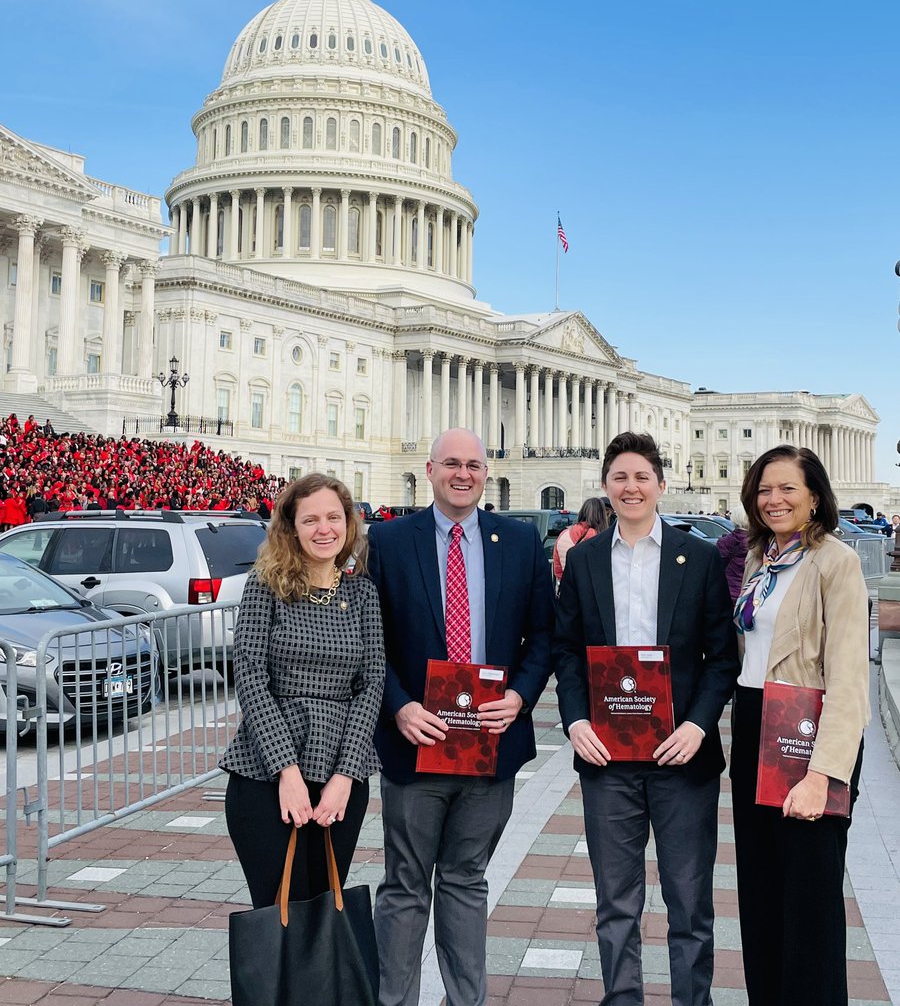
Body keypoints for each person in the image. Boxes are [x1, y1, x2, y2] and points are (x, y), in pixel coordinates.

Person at [367, 428, 554, 1006]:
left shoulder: (519, 542)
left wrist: (521, 696)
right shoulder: (390, 541)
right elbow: (371, 642)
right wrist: (399, 707)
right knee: (404, 885)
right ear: (429, 470)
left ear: (486, 471)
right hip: (416, 739)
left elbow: (545, 636)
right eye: (451, 463)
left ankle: (464, 1001)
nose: (463, 474)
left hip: (489, 741)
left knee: (466, 879)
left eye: (473, 464)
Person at [554, 431, 738, 1006]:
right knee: (616, 903)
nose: (630, 487)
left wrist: (698, 725)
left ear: (661, 484)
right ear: (605, 486)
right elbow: (567, 651)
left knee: (689, 901)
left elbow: (721, 657)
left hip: (681, 758)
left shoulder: (700, 557)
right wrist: (575, 721)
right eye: (620, 477)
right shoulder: (584, 559)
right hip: (607, 758)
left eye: (641, 477)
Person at [730, 445, 869, 1006]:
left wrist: (825, 773)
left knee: (810, 903)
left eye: (788, 488)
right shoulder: (763, 559)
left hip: (810, 739)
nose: (774, 499)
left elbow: (849, 678)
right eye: (764, 489)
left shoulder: (836, 562)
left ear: (815, 496)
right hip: (756, 728)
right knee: (761, 894)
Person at [220, 473, 385, 909]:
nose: (324, 528)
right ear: (291, 528)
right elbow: (251, 678)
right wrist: (286, 773)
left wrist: (345, 776)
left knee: (323, 915)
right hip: (265, 774)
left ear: (349, 525)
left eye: (334, 517)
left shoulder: (363, 594)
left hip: (340, 776)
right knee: (278, 916)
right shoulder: (264, 587)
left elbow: (371, 685)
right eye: (310, 519)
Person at [552, 496, 609, 581]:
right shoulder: (596, 535)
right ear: (602, 515)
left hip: (567, 585)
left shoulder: (564, 533)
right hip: (587, 588)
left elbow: (557, 569)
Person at [716, 502, 749, 606]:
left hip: (728, 592)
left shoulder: (724, 542)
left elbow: (717, 567)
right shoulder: (760, 542)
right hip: (750, 593)